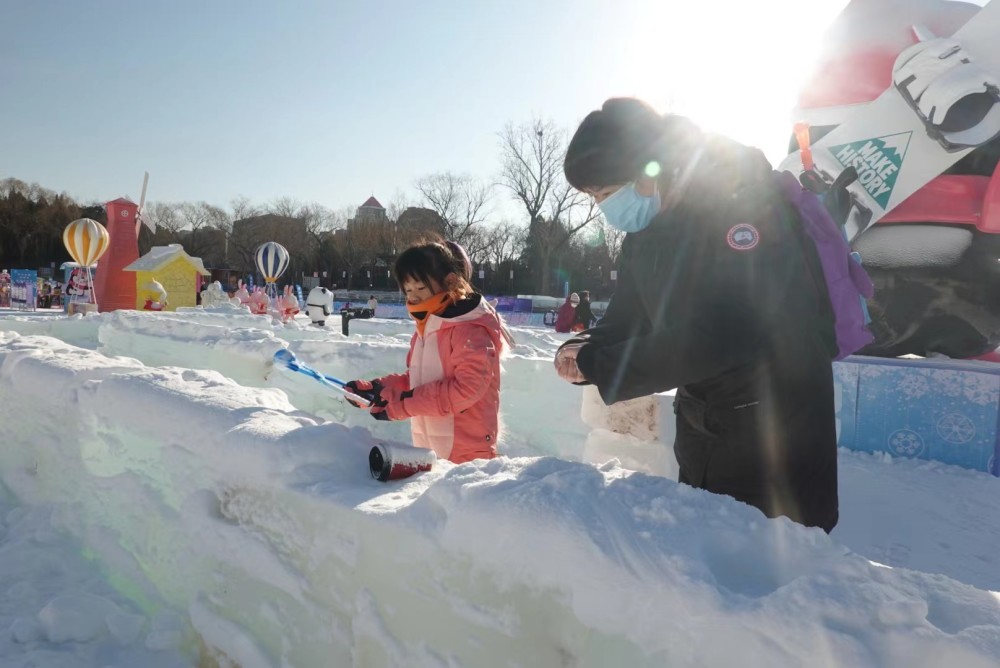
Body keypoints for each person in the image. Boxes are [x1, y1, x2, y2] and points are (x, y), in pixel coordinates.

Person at [555, 97, 840, 533]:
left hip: (776, 425)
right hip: (705, 422)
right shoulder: (646, 233)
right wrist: (586, 347)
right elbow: (629, 315)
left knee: (768, 568)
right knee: (705, 553)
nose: (603, 209)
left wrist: (604, 366)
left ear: (648, 171)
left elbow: (728, 331)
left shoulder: (743, 206)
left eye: (605, 194)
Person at [345, 239, 513, 464]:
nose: (413, 297)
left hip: (468, 452)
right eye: (408, 290)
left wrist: (403, 404)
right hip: (429, 447)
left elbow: (467, 388)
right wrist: (378, 389)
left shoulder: (470, 330)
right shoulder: (427, 328)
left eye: (421, 288)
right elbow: (418, 382)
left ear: (451, 282)